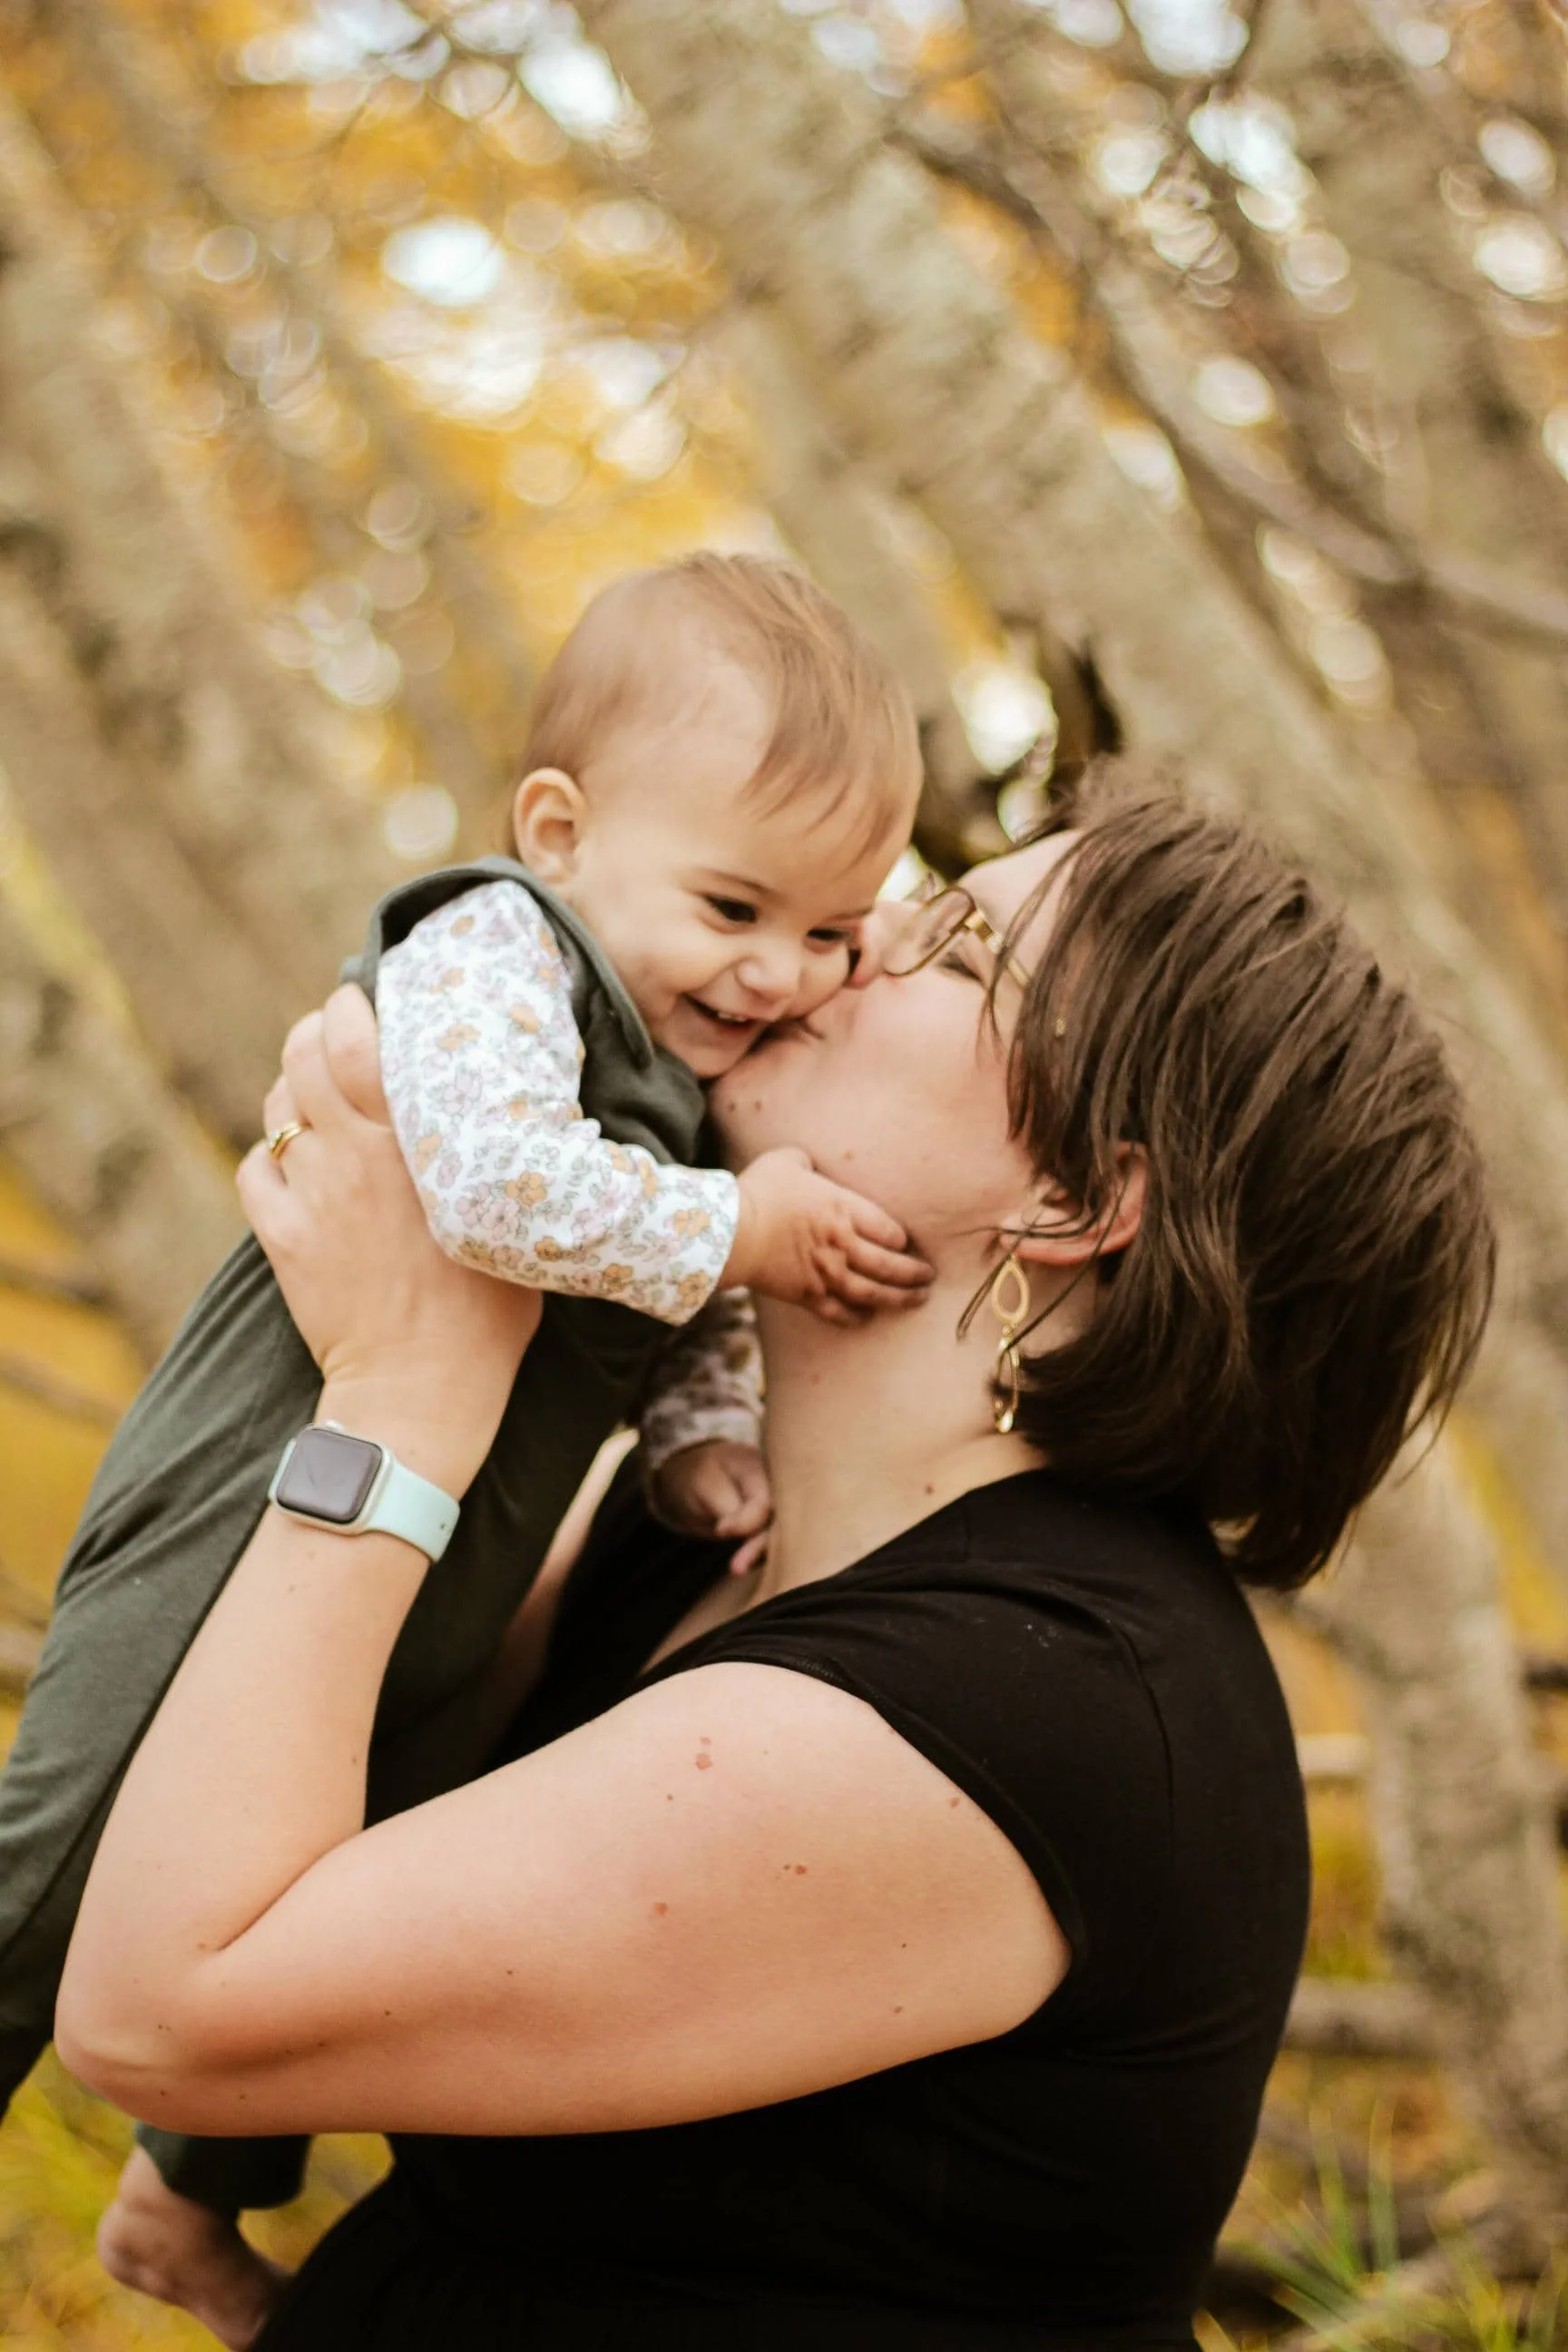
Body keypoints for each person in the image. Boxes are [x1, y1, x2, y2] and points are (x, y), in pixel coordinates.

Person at [59, 778, 1495, 2352]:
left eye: (959, 951)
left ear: (1080, 1199)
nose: (863, 932)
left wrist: (400, 1399)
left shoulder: (1034, 1706)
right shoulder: (689, 1531)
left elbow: (161, 2011)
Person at [0, 553, 929, 2228]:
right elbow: (494, 1185)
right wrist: (744, 1227)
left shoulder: (702, 1071)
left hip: (451, 1545)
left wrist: (710, 1435)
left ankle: (185, 2215)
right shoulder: (503, 948)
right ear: (562, 831)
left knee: (322, 1879)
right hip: (261, 1490)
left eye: (830, 934)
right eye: (735, 910)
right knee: (63, 1836)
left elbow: (677, 1311)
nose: (783, 973)